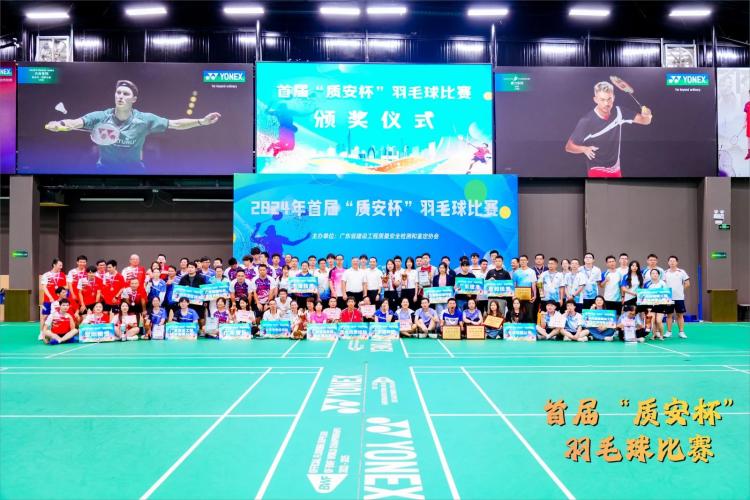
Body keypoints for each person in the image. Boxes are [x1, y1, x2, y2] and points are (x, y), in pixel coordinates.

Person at [45, 79, 221, 172]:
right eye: (118, 93)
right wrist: (59, 124)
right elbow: (75, 122)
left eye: (125, 94)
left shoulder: (144, 120)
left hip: (134, 170)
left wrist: (202, 121)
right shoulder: (101, 116)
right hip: (104, 170)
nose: (121, 96)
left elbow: (175, 123)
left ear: (134, 99)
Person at [565, 80, 652, 177]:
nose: (606, 103)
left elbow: (645, 121)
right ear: (595, 100)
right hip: (596, 168)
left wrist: (647, 115)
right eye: (602, 100)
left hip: (615, 168)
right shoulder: (587, 121)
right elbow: (569, 146)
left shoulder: (619, 112)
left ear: (613, 98)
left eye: (609, 99)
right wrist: (583, 149)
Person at [663, 256, 690, 339]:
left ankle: (681, 332)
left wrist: (681, 290)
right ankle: (668, 332)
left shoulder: (682, 272)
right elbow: (662, 284)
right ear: (668, 262)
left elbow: (687, 283)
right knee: (669, 315)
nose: (672, 262)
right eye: (670, 261)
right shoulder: (665, 273)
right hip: (668, 298)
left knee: (680, 315)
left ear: (677, 262)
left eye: (674, 261)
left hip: (679, 297)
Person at [178, 262, 207, 331]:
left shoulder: (201, 278)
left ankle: (201, 330)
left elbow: (205, 290)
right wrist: (185, 288)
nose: (190, 269)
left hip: (198, 301)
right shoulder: (183, 278)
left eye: (192, 267)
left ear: (196, 269)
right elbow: (179, 290)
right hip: (186, 301)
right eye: (189, 267)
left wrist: (206, 301)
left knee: (200, 316)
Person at [41, 259, 67, 334]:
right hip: (48, 299)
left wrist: (64, 296)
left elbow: (64, 286)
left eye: (62, 265)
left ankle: (56, 331)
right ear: (54, 265)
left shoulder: (62, 275)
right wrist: (50, 297)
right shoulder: (46, 275)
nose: (61, 267)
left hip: (59, 300)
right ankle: (42, 332)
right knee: (45, 316)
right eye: (59, 265)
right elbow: (44, 287)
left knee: (59, 315)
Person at [643, 268, 667, 340]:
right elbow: (644, 294)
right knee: (652, 320)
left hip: (661, 304)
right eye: (653, 273)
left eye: (656, 273)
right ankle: (653, 335)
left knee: (659, 321)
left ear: (659, 275)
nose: (655, 274)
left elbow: (666, 294)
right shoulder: (647, 284)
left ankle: (661, 335)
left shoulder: (663, 283)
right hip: (650, 305)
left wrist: (667, 302)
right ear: (650, 275)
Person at [512, 255, 537, 322]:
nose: (522, 261)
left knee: (530, 314)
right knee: (518, 313)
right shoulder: (516, 272)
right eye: (521, 260)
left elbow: (533, 284)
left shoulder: (531, 271)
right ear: (519, 262)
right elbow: (514, 284)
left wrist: (535, 295)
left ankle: (530, 327)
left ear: (527, 261)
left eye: (524, 260)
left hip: (529, 297)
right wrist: (513, 295)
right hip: (518, 297)